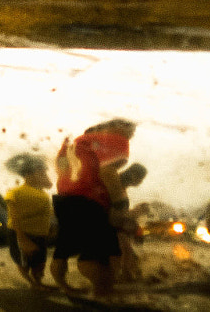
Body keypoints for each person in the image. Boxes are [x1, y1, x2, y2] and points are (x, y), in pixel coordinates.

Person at [50, 118, 135, 295]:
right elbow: (108, 171)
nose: (131, 134)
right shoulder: (113, 139)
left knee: (63, 249)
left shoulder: (75, 144)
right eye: (130, 130)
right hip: (90, 200)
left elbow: (60, 168)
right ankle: (102, 290)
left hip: (64, 198)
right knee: (96, 251)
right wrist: (120, 203)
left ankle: (63, 286)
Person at [4, 152, 55, 290]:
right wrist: (22, 238)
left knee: (40, 262)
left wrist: (51, 229)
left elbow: (47, 213)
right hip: (22, 234)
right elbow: (14, 217)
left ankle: (38, 282)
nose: (44, 175)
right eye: (40, 173)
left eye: (44, 172)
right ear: (28, 174)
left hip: (40, 235)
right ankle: (33, 284)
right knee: (24, 262)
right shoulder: (15, 192)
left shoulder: (43, 194)